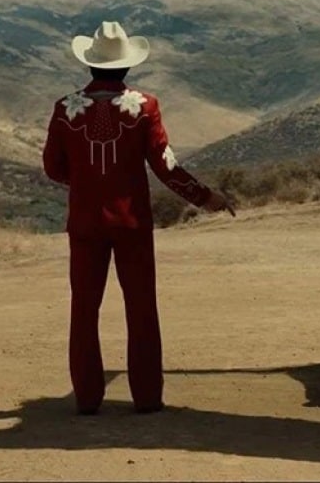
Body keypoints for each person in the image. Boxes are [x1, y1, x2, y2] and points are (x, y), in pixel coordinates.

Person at [41, 21, 235, 416]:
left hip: (85, 223)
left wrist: (84, 184)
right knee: (142, 307)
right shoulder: (145, 107)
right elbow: (165, 166)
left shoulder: (65, 110)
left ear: (90, 64)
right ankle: (146, 397)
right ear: (127, 67)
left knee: (84, 309)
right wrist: (204, 197)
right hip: (132, 223)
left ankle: (88, 397)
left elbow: (52, 167)